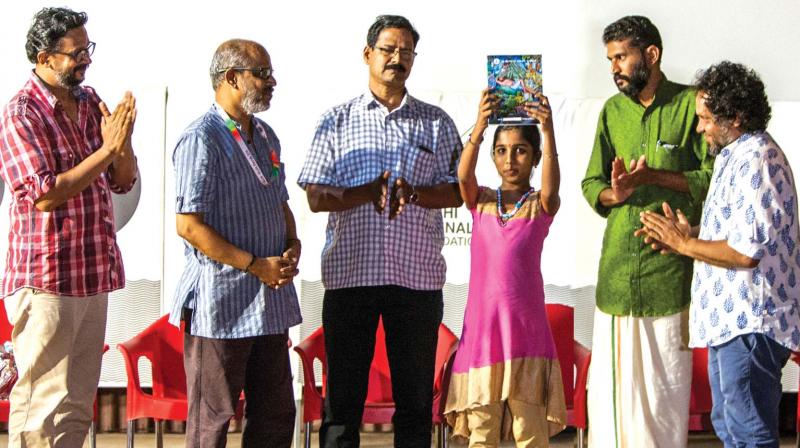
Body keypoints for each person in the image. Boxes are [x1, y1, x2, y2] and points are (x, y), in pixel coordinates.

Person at [297, 14, 463, 448]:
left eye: (406, 51)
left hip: (417, 281)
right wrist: (366, 193)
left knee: (413, 405)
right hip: (351, 278)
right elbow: (315, 196)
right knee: (342, 405)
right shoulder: (336, 121)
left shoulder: (436, 122)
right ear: (368, 54)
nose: (397, 59)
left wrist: (418, 194)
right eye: (388, 49)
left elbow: (457, 191)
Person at [638, 61, 800, 448]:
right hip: (731, 322)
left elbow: (746, 254)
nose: (699, 128)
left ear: (736, 117)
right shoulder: (736, 155)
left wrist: (683, 244)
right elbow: (737, 233)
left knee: (748, 430)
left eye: (706, 119)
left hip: (750, 322)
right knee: (729, 422)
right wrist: (689, 234)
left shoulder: (757, 159)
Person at [0, 7, 138, 446]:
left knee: (77, 404)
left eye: (88, 48)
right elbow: (43, 193)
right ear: (44, 57)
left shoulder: (88, 100)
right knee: (43, 400)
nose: (87, 59)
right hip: (46, 279)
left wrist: (125, 142)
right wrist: (106, 150)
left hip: (92, 274)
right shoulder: (22, 113)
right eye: (76, 52)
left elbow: (122, 181)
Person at [580, 15, 713, 447]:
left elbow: (710, 176)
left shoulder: (691, 105)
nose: (614, 67)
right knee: (612, 400)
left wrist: (654, 176)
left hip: (669, 276)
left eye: (621, 56)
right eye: (610, 59)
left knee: (663, 396)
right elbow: (590, 183)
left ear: (651, 55)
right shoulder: (612, 112)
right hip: (617, 277)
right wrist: (616, 195)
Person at [170, 39, 301, 447]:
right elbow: (189, 225)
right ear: (230, 77)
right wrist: (254, 264)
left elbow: (280, 202)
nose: (272, 81)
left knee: (276, 414)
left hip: (269, 305)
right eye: (261, 73)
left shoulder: (265, 135)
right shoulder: (202, 138)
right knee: (214, 418)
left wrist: (292, 243)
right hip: (219, 305)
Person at [444, 88, 566, 447]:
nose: (510, 159)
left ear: (535, 157)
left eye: (520, 150)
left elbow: (552, 187)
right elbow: (462, 177)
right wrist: (480, 126)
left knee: (529, 433)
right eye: (501, 151)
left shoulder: (539, 206)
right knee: (482, 433)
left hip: (525, 336)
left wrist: (548, 129)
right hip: (483, 337)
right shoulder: (480, 200)